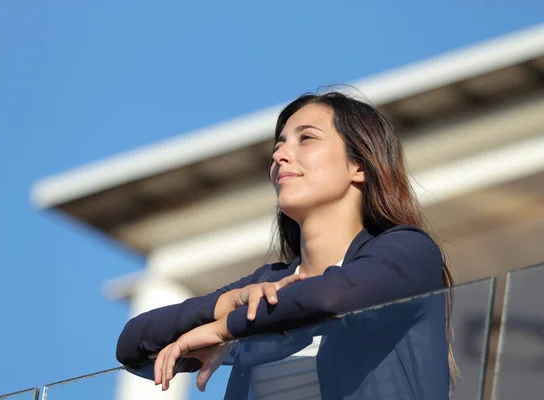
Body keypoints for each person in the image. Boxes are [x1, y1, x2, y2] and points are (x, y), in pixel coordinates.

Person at [116, 89, 455, 399]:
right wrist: (230, 303)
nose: (280, 156)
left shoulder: (410, 251)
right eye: (278, 147)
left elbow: (332, 297)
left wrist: (226, 329)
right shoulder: (265, 287)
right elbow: (133, 343)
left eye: (306, 138)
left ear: (359, 165)